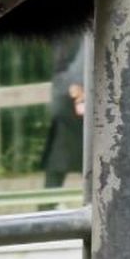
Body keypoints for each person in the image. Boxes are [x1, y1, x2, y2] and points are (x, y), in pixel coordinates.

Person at [40, 32, 87, 197]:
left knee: (64, 159)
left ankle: (46, 209)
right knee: (63, 160)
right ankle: (46, 210)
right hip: (71, 97)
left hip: (73, 96)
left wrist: (77, 82)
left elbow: (85, 53)